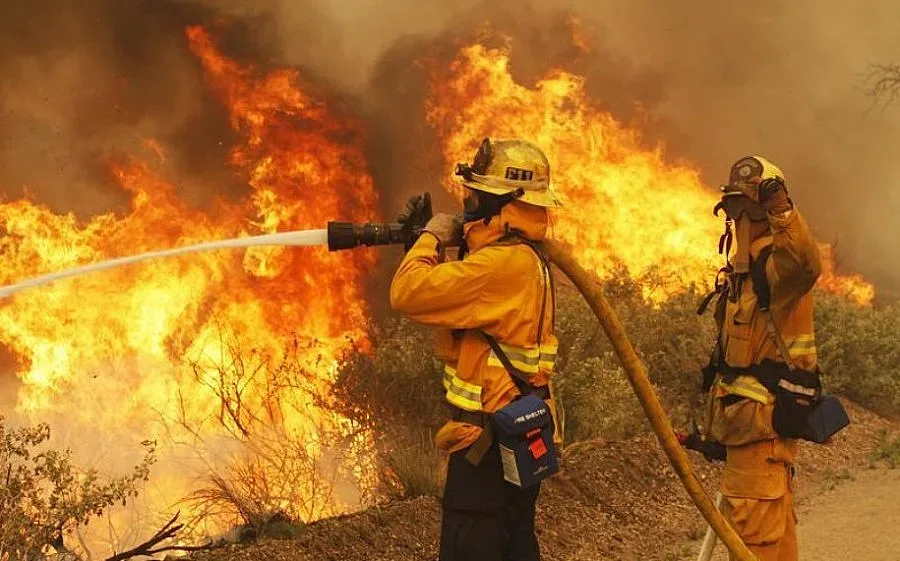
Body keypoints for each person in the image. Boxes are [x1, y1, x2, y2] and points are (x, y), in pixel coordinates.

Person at [390, 137, 563, 561]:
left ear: (502, 204)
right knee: (515, 543)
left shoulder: (500, 266)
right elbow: (461, 308)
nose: (467, 207)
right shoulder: (524, 258)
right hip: (517, 432)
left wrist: (429, 240)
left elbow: (407, 294)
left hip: (485, 445)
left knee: (472, 545)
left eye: (475, 198)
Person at [701, 156, 822, 561]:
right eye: (733, 209)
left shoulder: (777, 268)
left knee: (753, 544)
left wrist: (780, 208)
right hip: (747, 433)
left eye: (744, 209)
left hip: (761, 434)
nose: (737, 220)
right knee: (773, 542)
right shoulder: (745, 273)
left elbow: (806, 262)